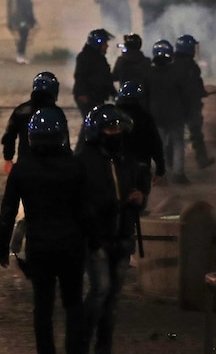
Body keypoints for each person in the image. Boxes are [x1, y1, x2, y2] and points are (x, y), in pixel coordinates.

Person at [0, 108, 86, 354]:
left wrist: (1, 246)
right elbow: (87, 209)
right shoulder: (75, 167)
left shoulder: (22, 169)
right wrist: (94, 241)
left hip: (40, 247)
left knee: (43, 307)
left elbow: (8, 211)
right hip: (71, 246)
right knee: (73, 304)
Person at [77, 104, 145, 354]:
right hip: (97, 238)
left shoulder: (126, 159)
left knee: (113, 299)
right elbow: (81, 201)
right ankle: (81, 342)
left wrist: (139, 198)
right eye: (110, 128)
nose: (115, 132)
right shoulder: (85, 161)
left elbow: (135, 189)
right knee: (100, 290)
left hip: (123, 236)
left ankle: (103, 346)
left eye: (118, 127)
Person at [1, 71, 68, 174]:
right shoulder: (57, 113)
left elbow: (9, 136)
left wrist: (8, 158)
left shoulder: (21, 111)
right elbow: (65, 140)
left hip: (25, 163)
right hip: (53, 166)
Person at [145, 40, 189, 184]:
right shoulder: (178, 73)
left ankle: (161, 175)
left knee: (160, 145)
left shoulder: (149, 74)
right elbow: (185, 94)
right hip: (176, 115)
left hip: (156, 115)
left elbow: (145, 96)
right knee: (178, 143)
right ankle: (178, 174)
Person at [115, 81, 164, 207]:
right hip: (141, 167)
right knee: (139, 203)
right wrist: (160, 169)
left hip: (117, 167)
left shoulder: (113, 118)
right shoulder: (145, 118)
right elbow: (155, 144)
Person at [172, 34, 215, 169]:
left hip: (177, 105)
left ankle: (171, 163)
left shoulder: (173, 63)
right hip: (189, 106)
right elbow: (193, 86)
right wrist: (201, 92)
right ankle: (200, 159)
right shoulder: (190, 66)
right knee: (195, 133)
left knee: (175, 136)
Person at [73, 29, 117, 122]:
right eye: (105, 43)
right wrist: (82, 94)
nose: (107, 46)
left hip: (96, 96)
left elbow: (106, 79)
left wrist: (114, 93)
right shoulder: (85, 57)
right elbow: (80, 76)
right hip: (88, 97)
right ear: (98, 44)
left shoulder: (99, 58)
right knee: (91, 121)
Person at [9, 0, 37, 65]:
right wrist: (31, 21)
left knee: (24, 38)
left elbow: (29, 11)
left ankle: (22, 56)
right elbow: (24, 11)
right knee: (22, 38)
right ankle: (19, 56)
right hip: (22, 20)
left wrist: (32, 21)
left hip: (25, 20)